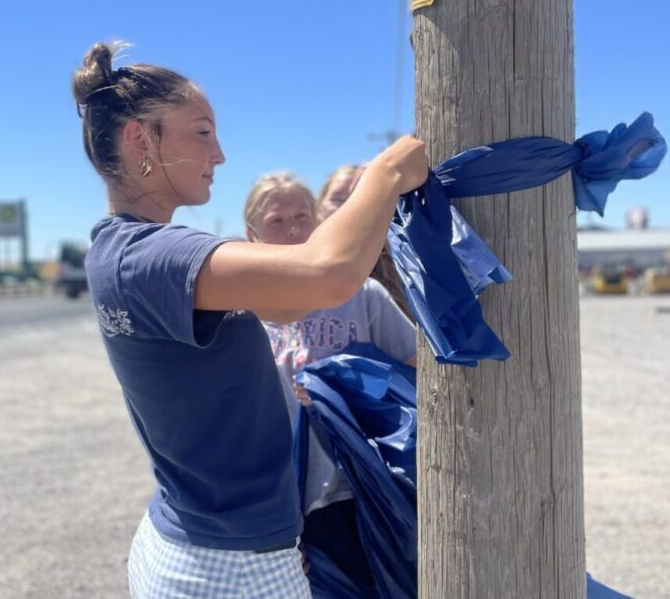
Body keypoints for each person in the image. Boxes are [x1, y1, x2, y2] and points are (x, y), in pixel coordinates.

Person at [71, 42, 429, 597]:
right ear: (141, 138)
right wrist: (383, 175)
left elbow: (289, 303)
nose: (219, 155)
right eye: (202, 132)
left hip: (203, 543)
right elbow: (325, 274)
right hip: (229, 563)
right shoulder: (150, 255)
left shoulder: (121, 252)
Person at [244, 171, 418, 596]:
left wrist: (346, 380)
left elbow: (416, 372)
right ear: (253, 236)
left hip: (372, 491)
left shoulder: (363, 295)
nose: (293, 230)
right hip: (298, 504)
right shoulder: (243, 314)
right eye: (276, 221)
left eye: (302, 216)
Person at [319, 164, 414, 319]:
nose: (348, 209)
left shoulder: (406, 269)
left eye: (360, 199)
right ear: (319, 206)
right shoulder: (301, 264)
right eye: (337, 200)